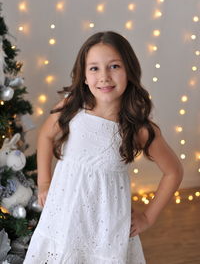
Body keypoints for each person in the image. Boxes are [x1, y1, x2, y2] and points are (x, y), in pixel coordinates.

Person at [23, 31, 183, 264]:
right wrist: (44, 183)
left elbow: (174, 171)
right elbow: (46, 136)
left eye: (114, 66)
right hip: (63, 216)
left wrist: (148, 217)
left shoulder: (137, 127)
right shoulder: (73, 106)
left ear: (129, 71)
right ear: (84, 76)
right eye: (94, 68)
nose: (104, 76)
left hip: (106, 228)